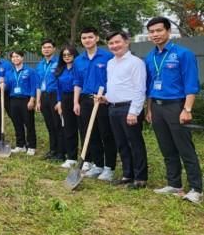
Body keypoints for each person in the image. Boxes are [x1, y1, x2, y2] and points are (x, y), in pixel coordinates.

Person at [145, 17, 202, 203]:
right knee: (167, 148)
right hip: (157, 107)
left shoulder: (183, 54)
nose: (155, 35)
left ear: (168, 31)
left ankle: (195, 189)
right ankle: (174, 184)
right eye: (152, 32)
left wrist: (187, 108)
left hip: (177, 106)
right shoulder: (150, 57)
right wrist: (150, 109)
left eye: (159, 30)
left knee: (185, 148)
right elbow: (150, 85)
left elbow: (191, 84)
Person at [95, 31, 147, 190]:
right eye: (111, 43)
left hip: (129, 108)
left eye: (117, 42)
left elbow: (140, 89)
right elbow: (116, 86)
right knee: (122, 143)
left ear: (126, 42)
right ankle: (127, 174)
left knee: (135, 144)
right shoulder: (111, 63)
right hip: (113, 108)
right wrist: (106, 98)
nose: (114, 46)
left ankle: (140, 178)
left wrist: (134, 111)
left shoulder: (135, 62)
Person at [73, 26, 116, 181]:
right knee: (91, 133)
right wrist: (76, 102)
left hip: (103, 100)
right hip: (85, 100)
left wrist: (107, 96)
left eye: (90, 37)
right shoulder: (79, 60)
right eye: (84, 38)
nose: (87, 40)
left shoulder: (108, 57)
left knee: (106, 133)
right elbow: (77, 82)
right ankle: (97, 164)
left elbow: (114, 80)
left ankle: (109, 167)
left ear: (97, 38)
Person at [2, 50, 38, 155]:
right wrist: (3, 83)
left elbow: (34, 86)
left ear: (22, 58)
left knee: (29, 123)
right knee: (17, 123)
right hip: (13, 100)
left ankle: (31, 146)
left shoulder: (30, 71)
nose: (15, 59)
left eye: (17, 56)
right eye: (13, 57)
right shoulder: (10, 72)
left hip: (26, 100)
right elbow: (8, 87)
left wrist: (32, 100)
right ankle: (20, 145)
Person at [35, 39, 65, 162]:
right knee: (50, 125)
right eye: (44, 47)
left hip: (55, 96)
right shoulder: (40, 65)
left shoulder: (59, 63)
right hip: (44, 96)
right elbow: (38, 84)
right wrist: (38, 101)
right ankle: (53, 150)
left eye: (48, 47)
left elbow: (62, 82)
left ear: (54, 48)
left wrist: (60, 101)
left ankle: (62, 152)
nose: (46, 49)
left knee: (58, 125)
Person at [55, 45, 80, 169]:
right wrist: (59, 103)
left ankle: (88, 159)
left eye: (69, 54)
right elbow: (59, 89)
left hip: (80, 98)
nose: (67, 57)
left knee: (84, 129)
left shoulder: (79, 68)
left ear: (75, 55)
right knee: (69, 129)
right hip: (65, 99)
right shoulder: (60, 70)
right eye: (64, 55)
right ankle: (72, 158)